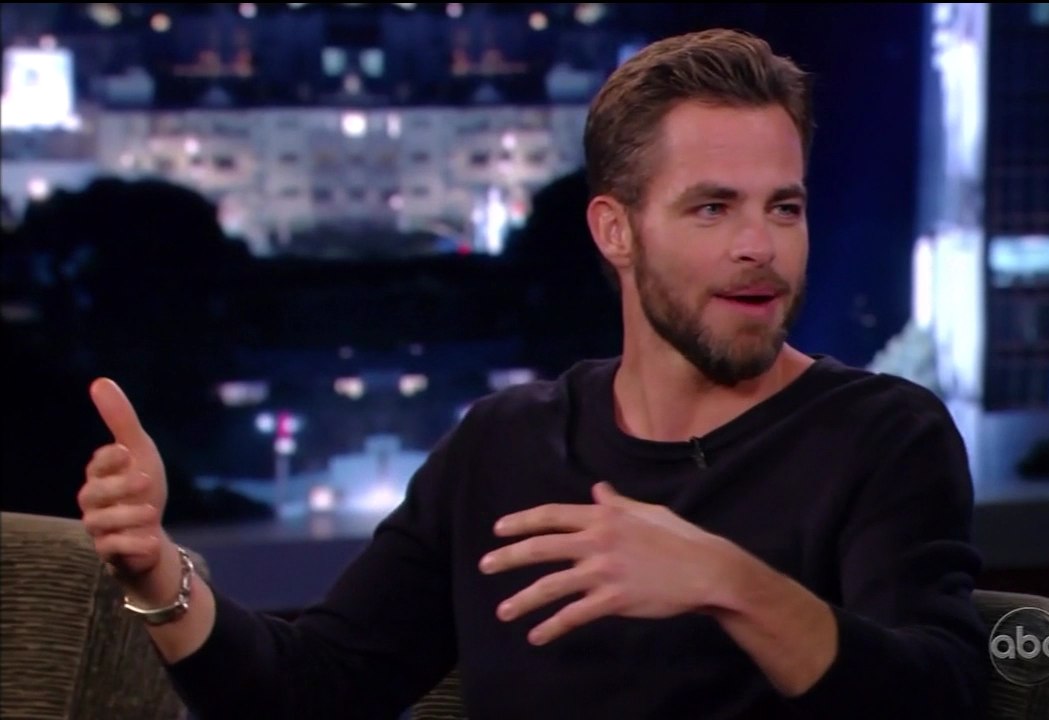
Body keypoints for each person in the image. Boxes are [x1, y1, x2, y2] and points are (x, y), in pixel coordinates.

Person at [78, 29, 988, 719]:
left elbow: (944, 697)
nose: (761, 246)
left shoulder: (881, 435)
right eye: (713, 209)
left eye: (783, 208)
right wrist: (158, 575)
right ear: (615, 231)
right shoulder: (504, 446)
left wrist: (728, 582)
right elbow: (312, 689)